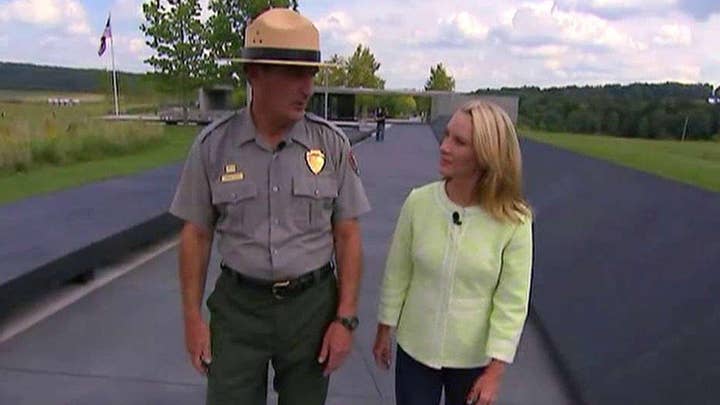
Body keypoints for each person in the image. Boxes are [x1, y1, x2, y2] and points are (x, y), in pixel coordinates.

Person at [169, 8, 371, 405]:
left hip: (311, 310)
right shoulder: (214, 147)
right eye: (294, 74)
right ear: (255, 74)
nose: (307, 88)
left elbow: (347, 235)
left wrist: (345, 319)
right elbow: (195, 235)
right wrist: (193, 320)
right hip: (238, 309)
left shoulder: (330, 145)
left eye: (311, 75)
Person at [373, 100, 533, 405]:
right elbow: (398, 272)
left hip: (473, 362)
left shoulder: (514, 221)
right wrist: (384, 329)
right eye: (446, 136)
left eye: (459, 142)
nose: (444, 146)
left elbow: (512, 302)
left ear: (486, 155)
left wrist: (495, 372)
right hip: (415, 351)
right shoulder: (418, 203)